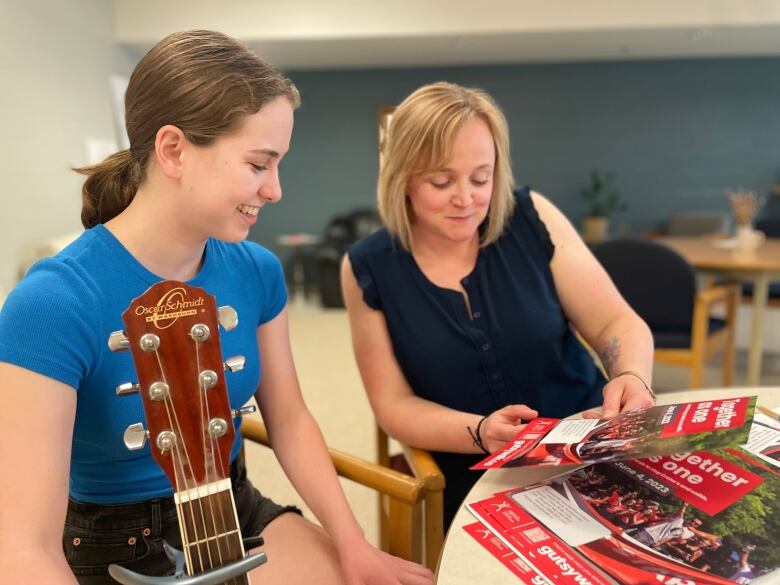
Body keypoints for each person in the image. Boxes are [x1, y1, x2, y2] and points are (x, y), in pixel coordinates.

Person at [0, 30, 433, 585]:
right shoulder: (53, 302)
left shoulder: (256, 270)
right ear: (174, 150)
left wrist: (353, 544)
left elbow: (291, 418)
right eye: (259, 164)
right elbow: (24, 547)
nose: (275, 190)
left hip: (231, 503)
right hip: (113, 541)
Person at [341, 81, 655, 527]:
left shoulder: (531, 216)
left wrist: (631, 375)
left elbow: (614, 320)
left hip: (586, 447)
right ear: (402, 177)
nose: (466, 199)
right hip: (474, 475)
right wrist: (481, 432)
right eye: (441, 181)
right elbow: (393, 404)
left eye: (481, 178)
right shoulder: (367, 267)